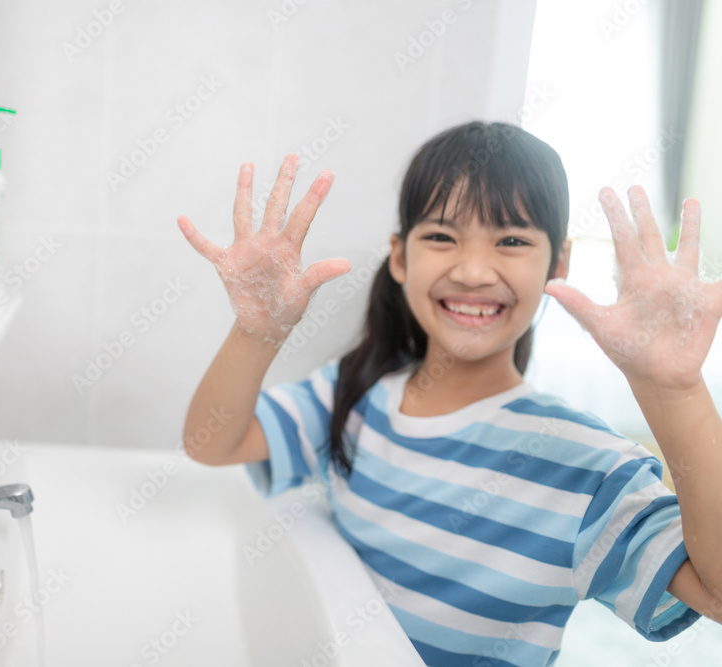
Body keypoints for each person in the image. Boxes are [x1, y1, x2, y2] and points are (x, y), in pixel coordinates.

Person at [177, 121, 722, 666]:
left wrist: (673, 394)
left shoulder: (588, 465)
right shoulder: (354, 398)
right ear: (400, 257)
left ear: (559, 263)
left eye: (511, 241)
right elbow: (213, 444)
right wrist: (255, 333)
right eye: (441, 236)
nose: (473, 270)